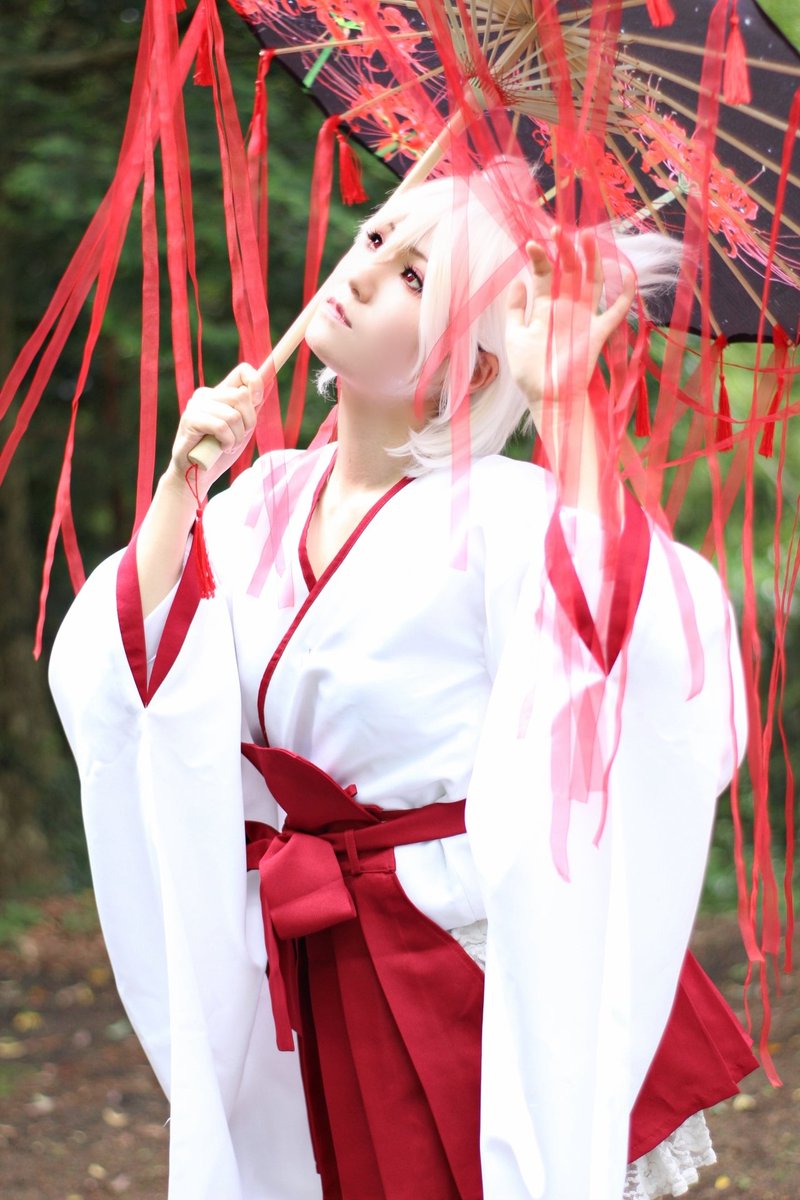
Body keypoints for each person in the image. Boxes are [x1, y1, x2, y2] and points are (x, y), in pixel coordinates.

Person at [50, 166, 758, 1200]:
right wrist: (181, 486)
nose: (364, 271)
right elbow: (131, 680)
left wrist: (566, 413)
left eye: (416, 277)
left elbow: (619, 636)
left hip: (462, 955)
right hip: (311, 948)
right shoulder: (260, 503)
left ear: (471, 369)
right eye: (376, 239)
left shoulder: (503, 512)